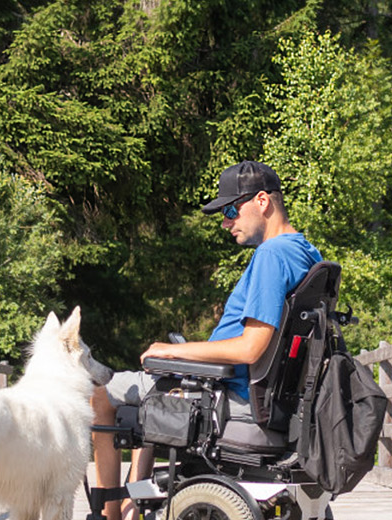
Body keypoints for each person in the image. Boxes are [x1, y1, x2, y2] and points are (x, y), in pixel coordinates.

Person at [89, 160, 324, 520]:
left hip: (230, 395)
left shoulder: (272, 256)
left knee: (101, 397)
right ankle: (133, 506)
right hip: (268, 399)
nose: (226, 222)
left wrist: (174, 350)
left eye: (231, 210)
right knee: (154, 394)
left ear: (262, 201)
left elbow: (250, 347)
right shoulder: (308, 253)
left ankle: (110, 515)